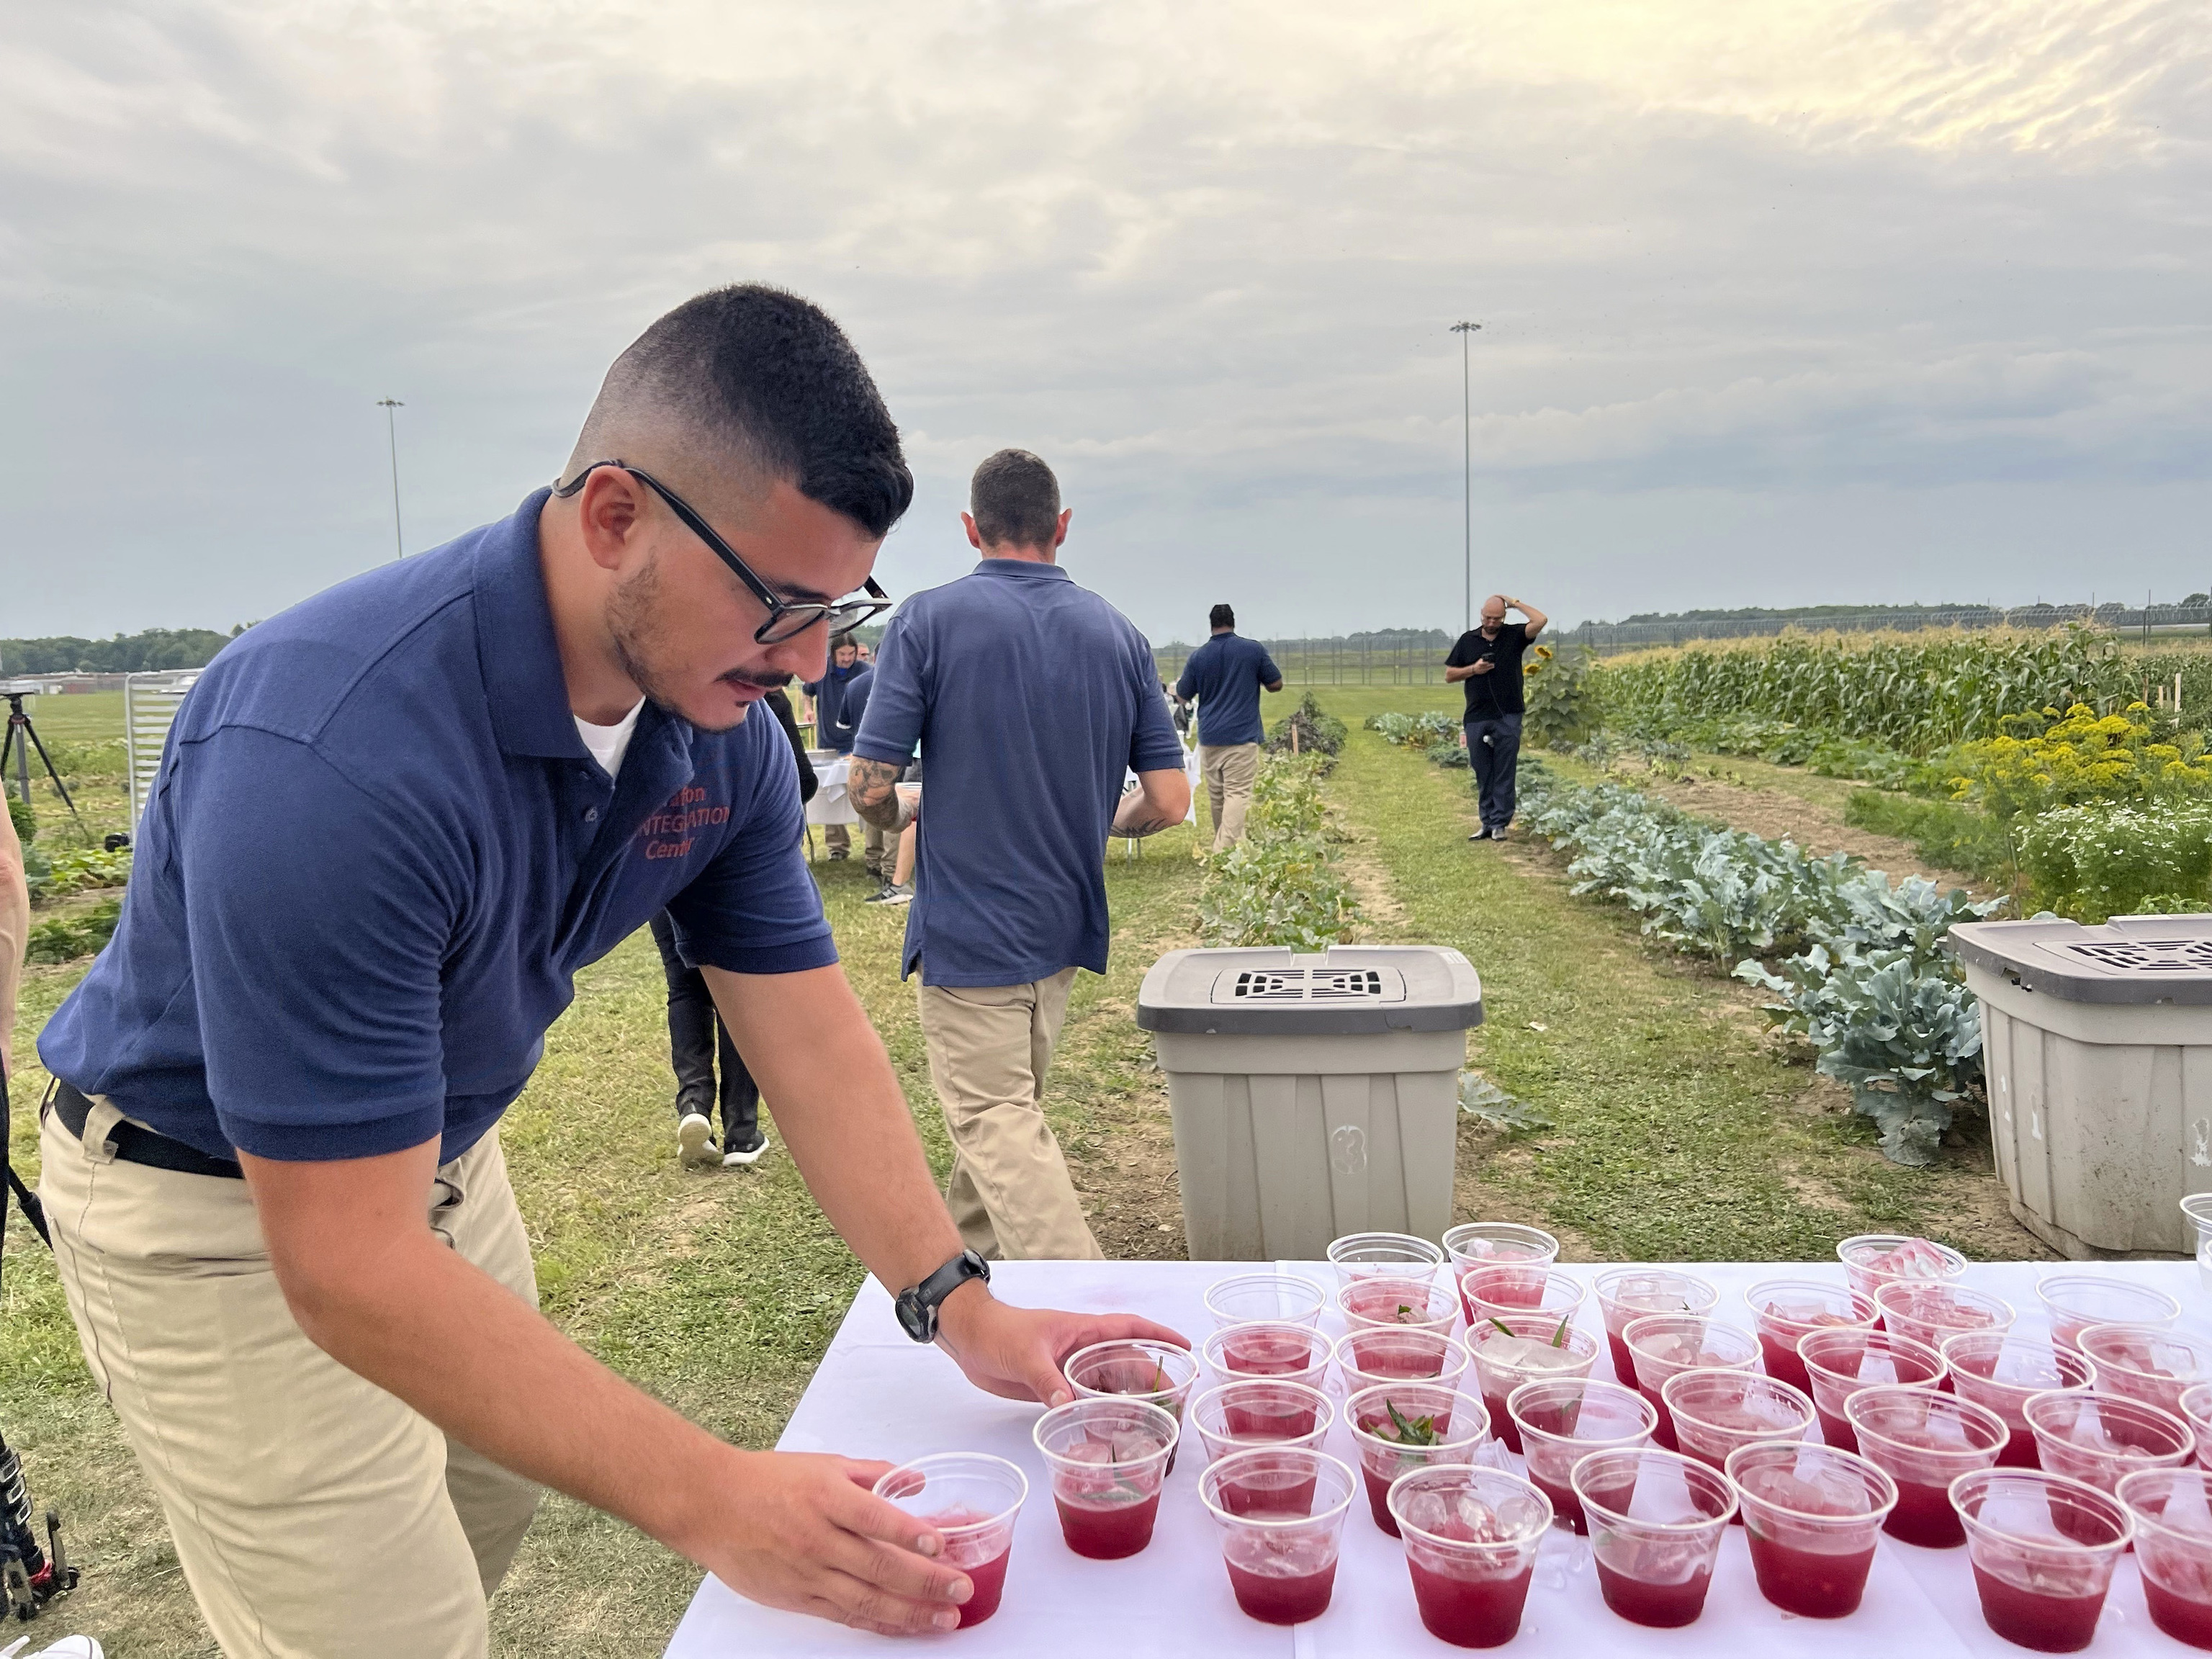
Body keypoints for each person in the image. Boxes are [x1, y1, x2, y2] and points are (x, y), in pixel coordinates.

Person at [32, 286, 1181, 1655]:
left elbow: (805, 1034)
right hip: (214, 1199)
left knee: (485, 1501)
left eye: (838, 606)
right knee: (385, 1627)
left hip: (446, 1160)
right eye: (779, 602)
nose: (811, 660)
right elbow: (344, 1260)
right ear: (615, 516)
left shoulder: (719, 726)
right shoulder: (329, 753)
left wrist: (955, 1299)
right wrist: (716, 1500)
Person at [849, 449, 1190, 1263]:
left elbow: (869, 781)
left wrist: (895, 813)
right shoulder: (1121, 634)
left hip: (971, 934)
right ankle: (975, 1286)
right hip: (1064, 929)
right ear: (1061, 527)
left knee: (995, 1121)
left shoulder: (928, 621)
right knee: (1005, 1114)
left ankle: (1102, 1330)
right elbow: (1172, 802)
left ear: (972, 528)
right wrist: (1101, 824)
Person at [662, 684, 815, 1169]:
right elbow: (802, 780)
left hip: (666, 859)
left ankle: (693, 1104)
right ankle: (742, 1132)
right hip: (739, 866)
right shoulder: (765, 698)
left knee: (684, 989)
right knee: (737, 993)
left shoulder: (656, 695)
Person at [1172, 603, 1282, 850]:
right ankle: (1223, 850)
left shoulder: (1199, 656)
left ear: (1211, 625)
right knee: (1238, 793)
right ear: (1233, 622)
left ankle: (1229, 846)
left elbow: (1182, 696)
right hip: (1242, 735)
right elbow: (1276, 683)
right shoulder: (1252, 651)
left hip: (1210, 736)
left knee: (1218, 795)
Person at [1445, 592, 1549, 840]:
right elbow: (1450, 675)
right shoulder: (1467, 640)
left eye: (1497, 618)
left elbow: (1541, 619)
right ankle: (1486, 822)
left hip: (1509, 714)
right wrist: (1474, 669)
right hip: (1477, 715)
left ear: (1504, 617)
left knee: (1504, 769)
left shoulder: (1514, 636)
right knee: (1482, 769)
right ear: (1481, 615)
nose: (1491, 623)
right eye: (1488, 618)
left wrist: (1514, 603)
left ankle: (1500, 823)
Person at [801, 634, 881, 876]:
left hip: (858, 742)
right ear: (833, 654)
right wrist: (807, 710)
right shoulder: (821, 670)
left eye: (851, 654)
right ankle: (837, 846)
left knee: (868, 795)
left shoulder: (865, 672)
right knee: (830, 796)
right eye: (842, 655)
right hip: (829, 740)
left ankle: (875, 850)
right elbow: (808, 692)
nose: (847, 659)